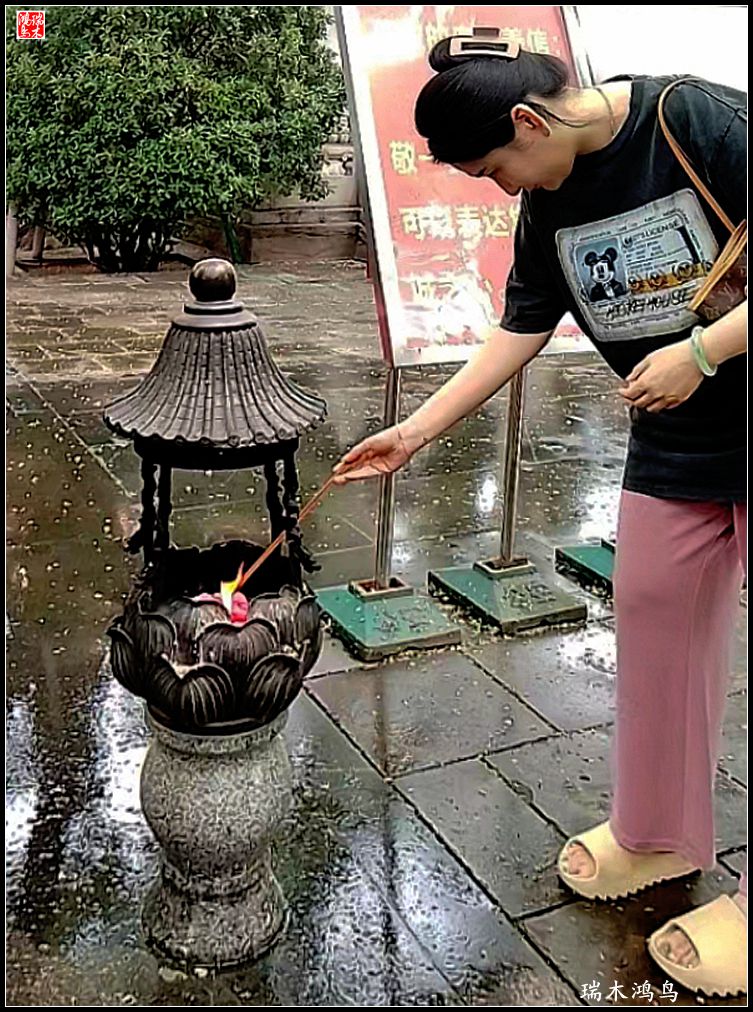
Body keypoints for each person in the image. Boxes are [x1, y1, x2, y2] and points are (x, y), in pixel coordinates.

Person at [333, 34, 747, 999]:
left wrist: (705, 350)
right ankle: (654, 835)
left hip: (713, 387)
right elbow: (522, 324)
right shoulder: (548, 198)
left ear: (529, 122)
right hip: (679, 443)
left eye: (492, 169)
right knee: (651, 616)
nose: (496, 190)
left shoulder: (697, 121)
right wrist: (415, 432)